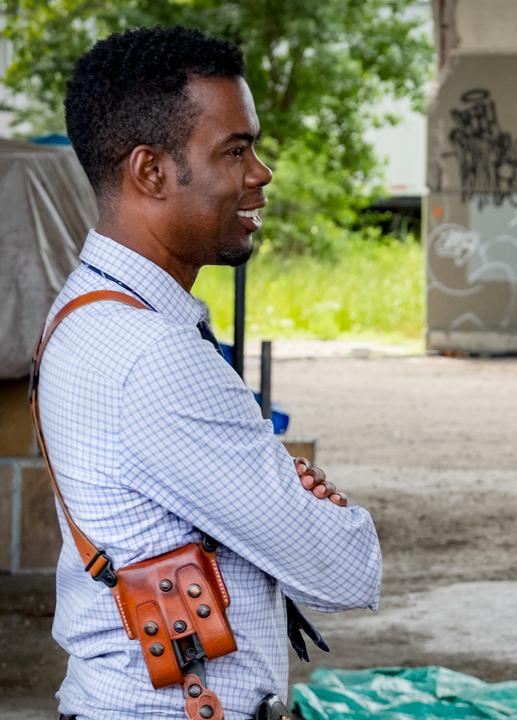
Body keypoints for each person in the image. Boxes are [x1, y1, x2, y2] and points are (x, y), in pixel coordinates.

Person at [37, 26, 382, 719]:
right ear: (151, 172)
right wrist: (319, 509)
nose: (261, 173)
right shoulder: (154, 356)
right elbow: (346, 571)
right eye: (236, 150)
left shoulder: (79, 315)